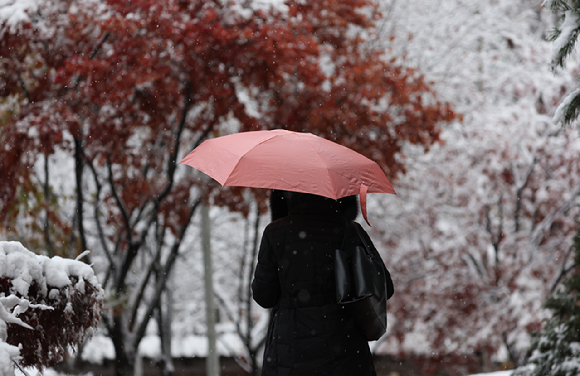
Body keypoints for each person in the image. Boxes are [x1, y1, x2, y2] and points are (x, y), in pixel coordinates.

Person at [252, 190, 394, 376]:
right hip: (345, 351)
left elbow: (264, 296)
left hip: (289, 354)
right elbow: (385, 288)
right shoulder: (348, 230)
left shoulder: (275, 233)